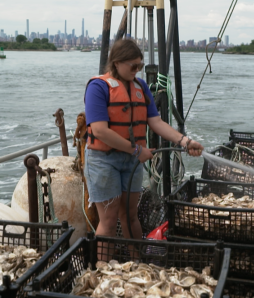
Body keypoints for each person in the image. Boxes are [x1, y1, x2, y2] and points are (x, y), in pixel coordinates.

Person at [84, 39, 204, 256]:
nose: (137, 70)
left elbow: (156, 122)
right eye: (133, 66)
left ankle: (137, 263)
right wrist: (137, 151)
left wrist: (185, 142)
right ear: (117, 63)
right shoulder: (98, 87)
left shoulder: (140, 87)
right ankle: (101, 270)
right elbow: (100, 131)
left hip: (131, 161)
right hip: (104, 160)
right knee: (109, 220)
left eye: (139, 65)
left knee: (130, 216)